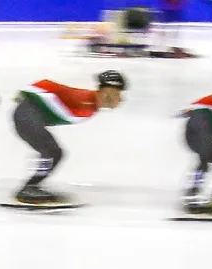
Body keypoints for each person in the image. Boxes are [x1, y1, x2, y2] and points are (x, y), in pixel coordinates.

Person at [10, 70, 127, 206]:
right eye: (118, 94)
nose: (121, 99)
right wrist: (27, 92)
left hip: (29, 117)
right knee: (52, 152)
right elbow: (48, 84)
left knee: (53, 152)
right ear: (107, 93)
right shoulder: (85, 100)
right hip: (26, 116)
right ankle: (29, 188)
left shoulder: (90, 105)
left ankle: (31, 187)